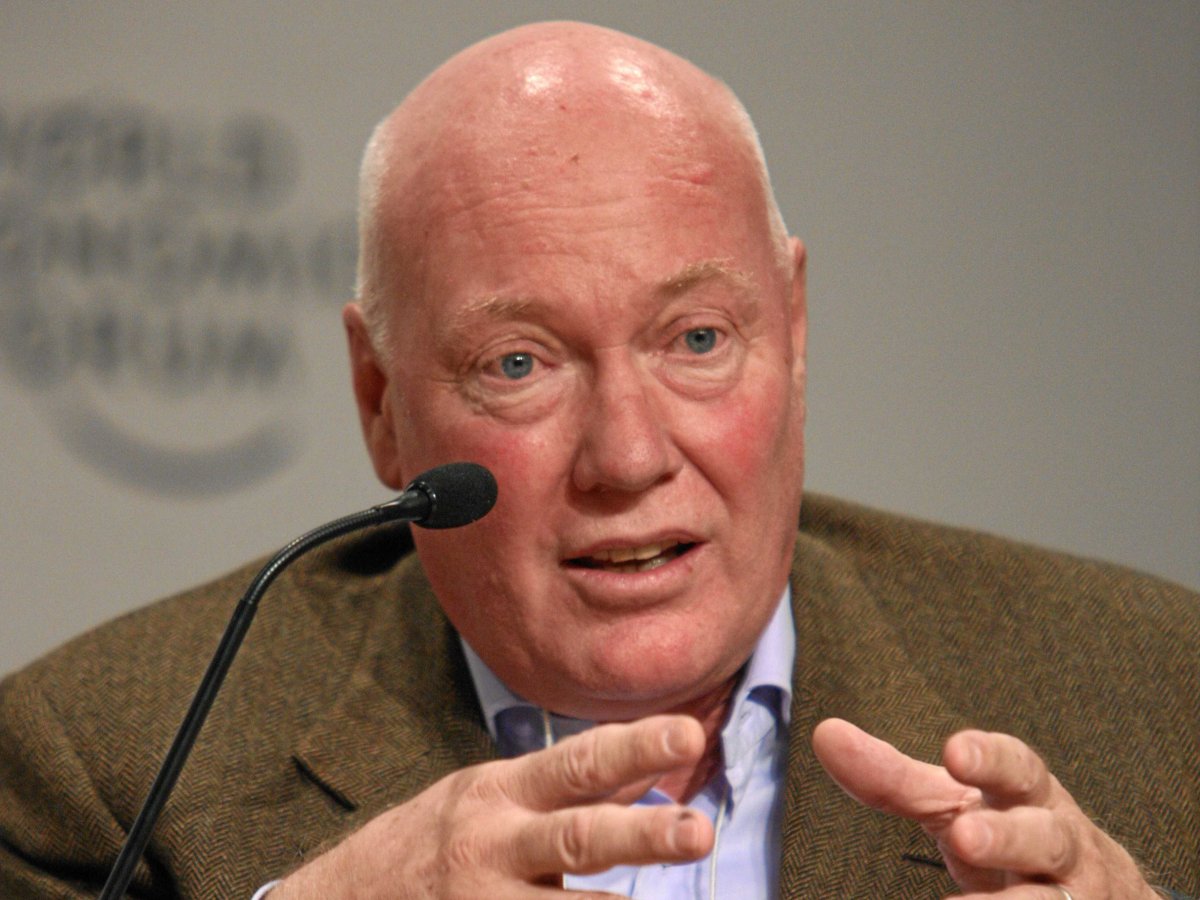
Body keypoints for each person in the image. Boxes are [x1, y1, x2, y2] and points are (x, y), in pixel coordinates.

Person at [1, 20, 1197, 899]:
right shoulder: (97, 769)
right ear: (380, 401)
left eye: (697, 339)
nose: (626, 457)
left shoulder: (1161, 695)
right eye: (519, 363)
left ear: (793, 331)